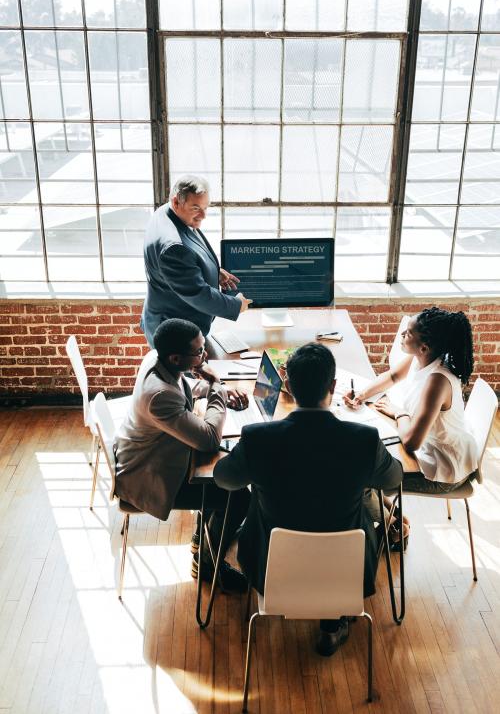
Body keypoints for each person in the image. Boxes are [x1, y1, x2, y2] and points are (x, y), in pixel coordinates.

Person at [214, 343, 403, 655]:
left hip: (269, 565)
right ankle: (333, 622)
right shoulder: (364, 440)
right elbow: (393, 480)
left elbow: (224, 478)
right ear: (332, 386)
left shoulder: (257, 439)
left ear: (287, 385)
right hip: (349, 570)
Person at [114, 318, 251, 592]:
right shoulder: (158, 397)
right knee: (238, 495)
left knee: (222, 479)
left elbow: (182, 386)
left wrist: (210, 389)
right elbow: (209, 440)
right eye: (199, 351)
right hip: (150, 476)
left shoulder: (157, 357)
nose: (205, 355)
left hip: (157, 456)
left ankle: (205, 537)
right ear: (176, 357)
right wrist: (218, 389)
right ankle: (207, 564)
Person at [343, 307, 477, 496]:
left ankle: (391, 523)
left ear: (423, 347)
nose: (402, 334)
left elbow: (411, 442)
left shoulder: (438, 380)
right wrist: (361, 395)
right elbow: (392, 376)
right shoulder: (421, 357)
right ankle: (391, 521)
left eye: (408, 333)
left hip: (441, 470)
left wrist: (398, 412)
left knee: (360, 478)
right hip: (426, 450)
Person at [141, 175, 252, 346]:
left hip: (176, 320)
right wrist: (236, 305)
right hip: (174, 335)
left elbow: (189, 256)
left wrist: (213, 270)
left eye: (205, 207)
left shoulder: (167, 212)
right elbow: (198, 294)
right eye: (195, 208)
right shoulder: (173, 247)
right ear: (176, 202)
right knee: (186, 373)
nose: (203, 215)